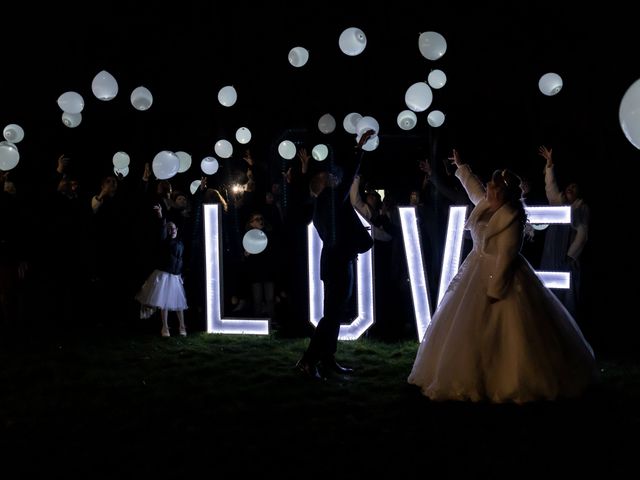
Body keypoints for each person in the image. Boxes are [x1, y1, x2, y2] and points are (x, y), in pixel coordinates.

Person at [407, 149, 596, 403]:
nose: (489, 192)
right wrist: (462, 167)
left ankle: (508, 379)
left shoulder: (512, 218)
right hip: (474, 271)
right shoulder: (485, 203)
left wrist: (495, 288)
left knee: (509, 330)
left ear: (506, 194)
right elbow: (473, 189)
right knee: (465, 329)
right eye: (489, 187)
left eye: (495, 189)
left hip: (502, 278)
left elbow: (507, 257)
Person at [296, 130, 375, 380]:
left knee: (334, 315)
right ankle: (309, 361)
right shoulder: (329, 199)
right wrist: (359, 149)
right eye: (329, 176)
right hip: (338, 265)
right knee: (331, 316)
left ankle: (328, 360)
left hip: (338, 263)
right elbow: (350, 173)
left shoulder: (325, 205)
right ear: (322, 184)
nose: (334, 176)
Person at [537, 145, 589, 319]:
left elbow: (582, 233)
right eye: (569, 186)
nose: (570, 189)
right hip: (550, 256)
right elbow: (550, 187)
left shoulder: (580, 208)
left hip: (566, 260)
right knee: (549, 296)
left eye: (574, 188)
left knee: (567, 302)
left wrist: (570, 256)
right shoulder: (558, 204)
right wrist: (549, 165)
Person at [135, 220, 188, 337]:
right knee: (163, 302)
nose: (172, 231)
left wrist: (181, 274)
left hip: (175, 275)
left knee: (179, 303)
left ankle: (182, 326)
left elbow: (181, 259)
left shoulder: (180, 242)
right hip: (164, 274)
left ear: (177, 229)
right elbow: (162, 232)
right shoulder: (164, 241)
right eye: (169, 229)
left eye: (173, 228)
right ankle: (165, 327)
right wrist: (160, 218)